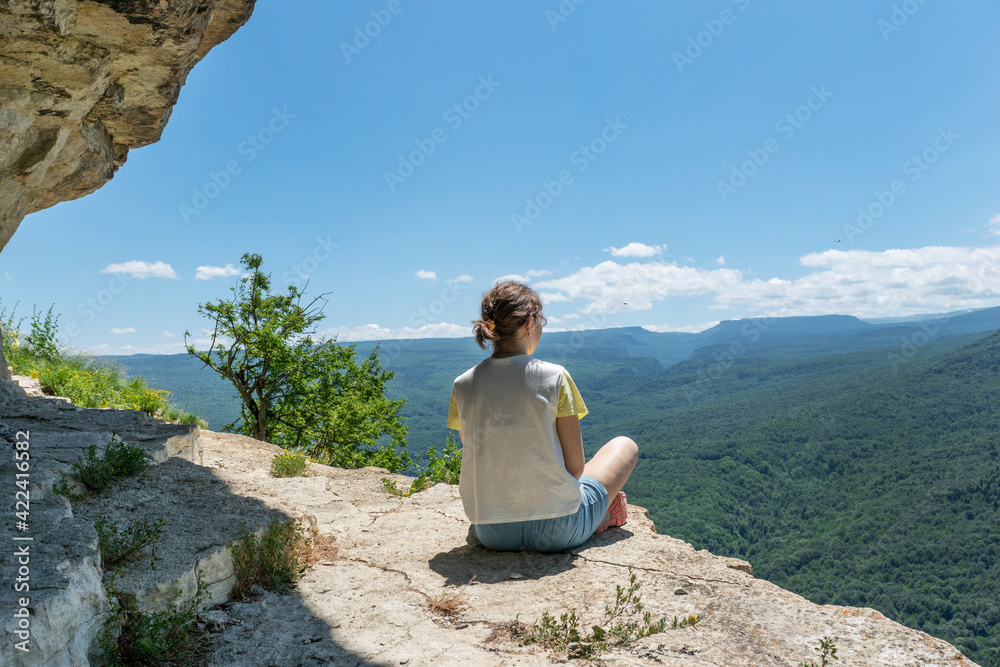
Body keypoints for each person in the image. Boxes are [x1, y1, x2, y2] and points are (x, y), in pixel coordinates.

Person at [447, 281, 639, 552]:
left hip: (492, 533)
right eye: (540, 322)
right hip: (561, 530)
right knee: (625, 445)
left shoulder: (462, 384)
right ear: (528, 324)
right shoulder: (555, 376)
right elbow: (575, 469)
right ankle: (603, 511)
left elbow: (477, 453)